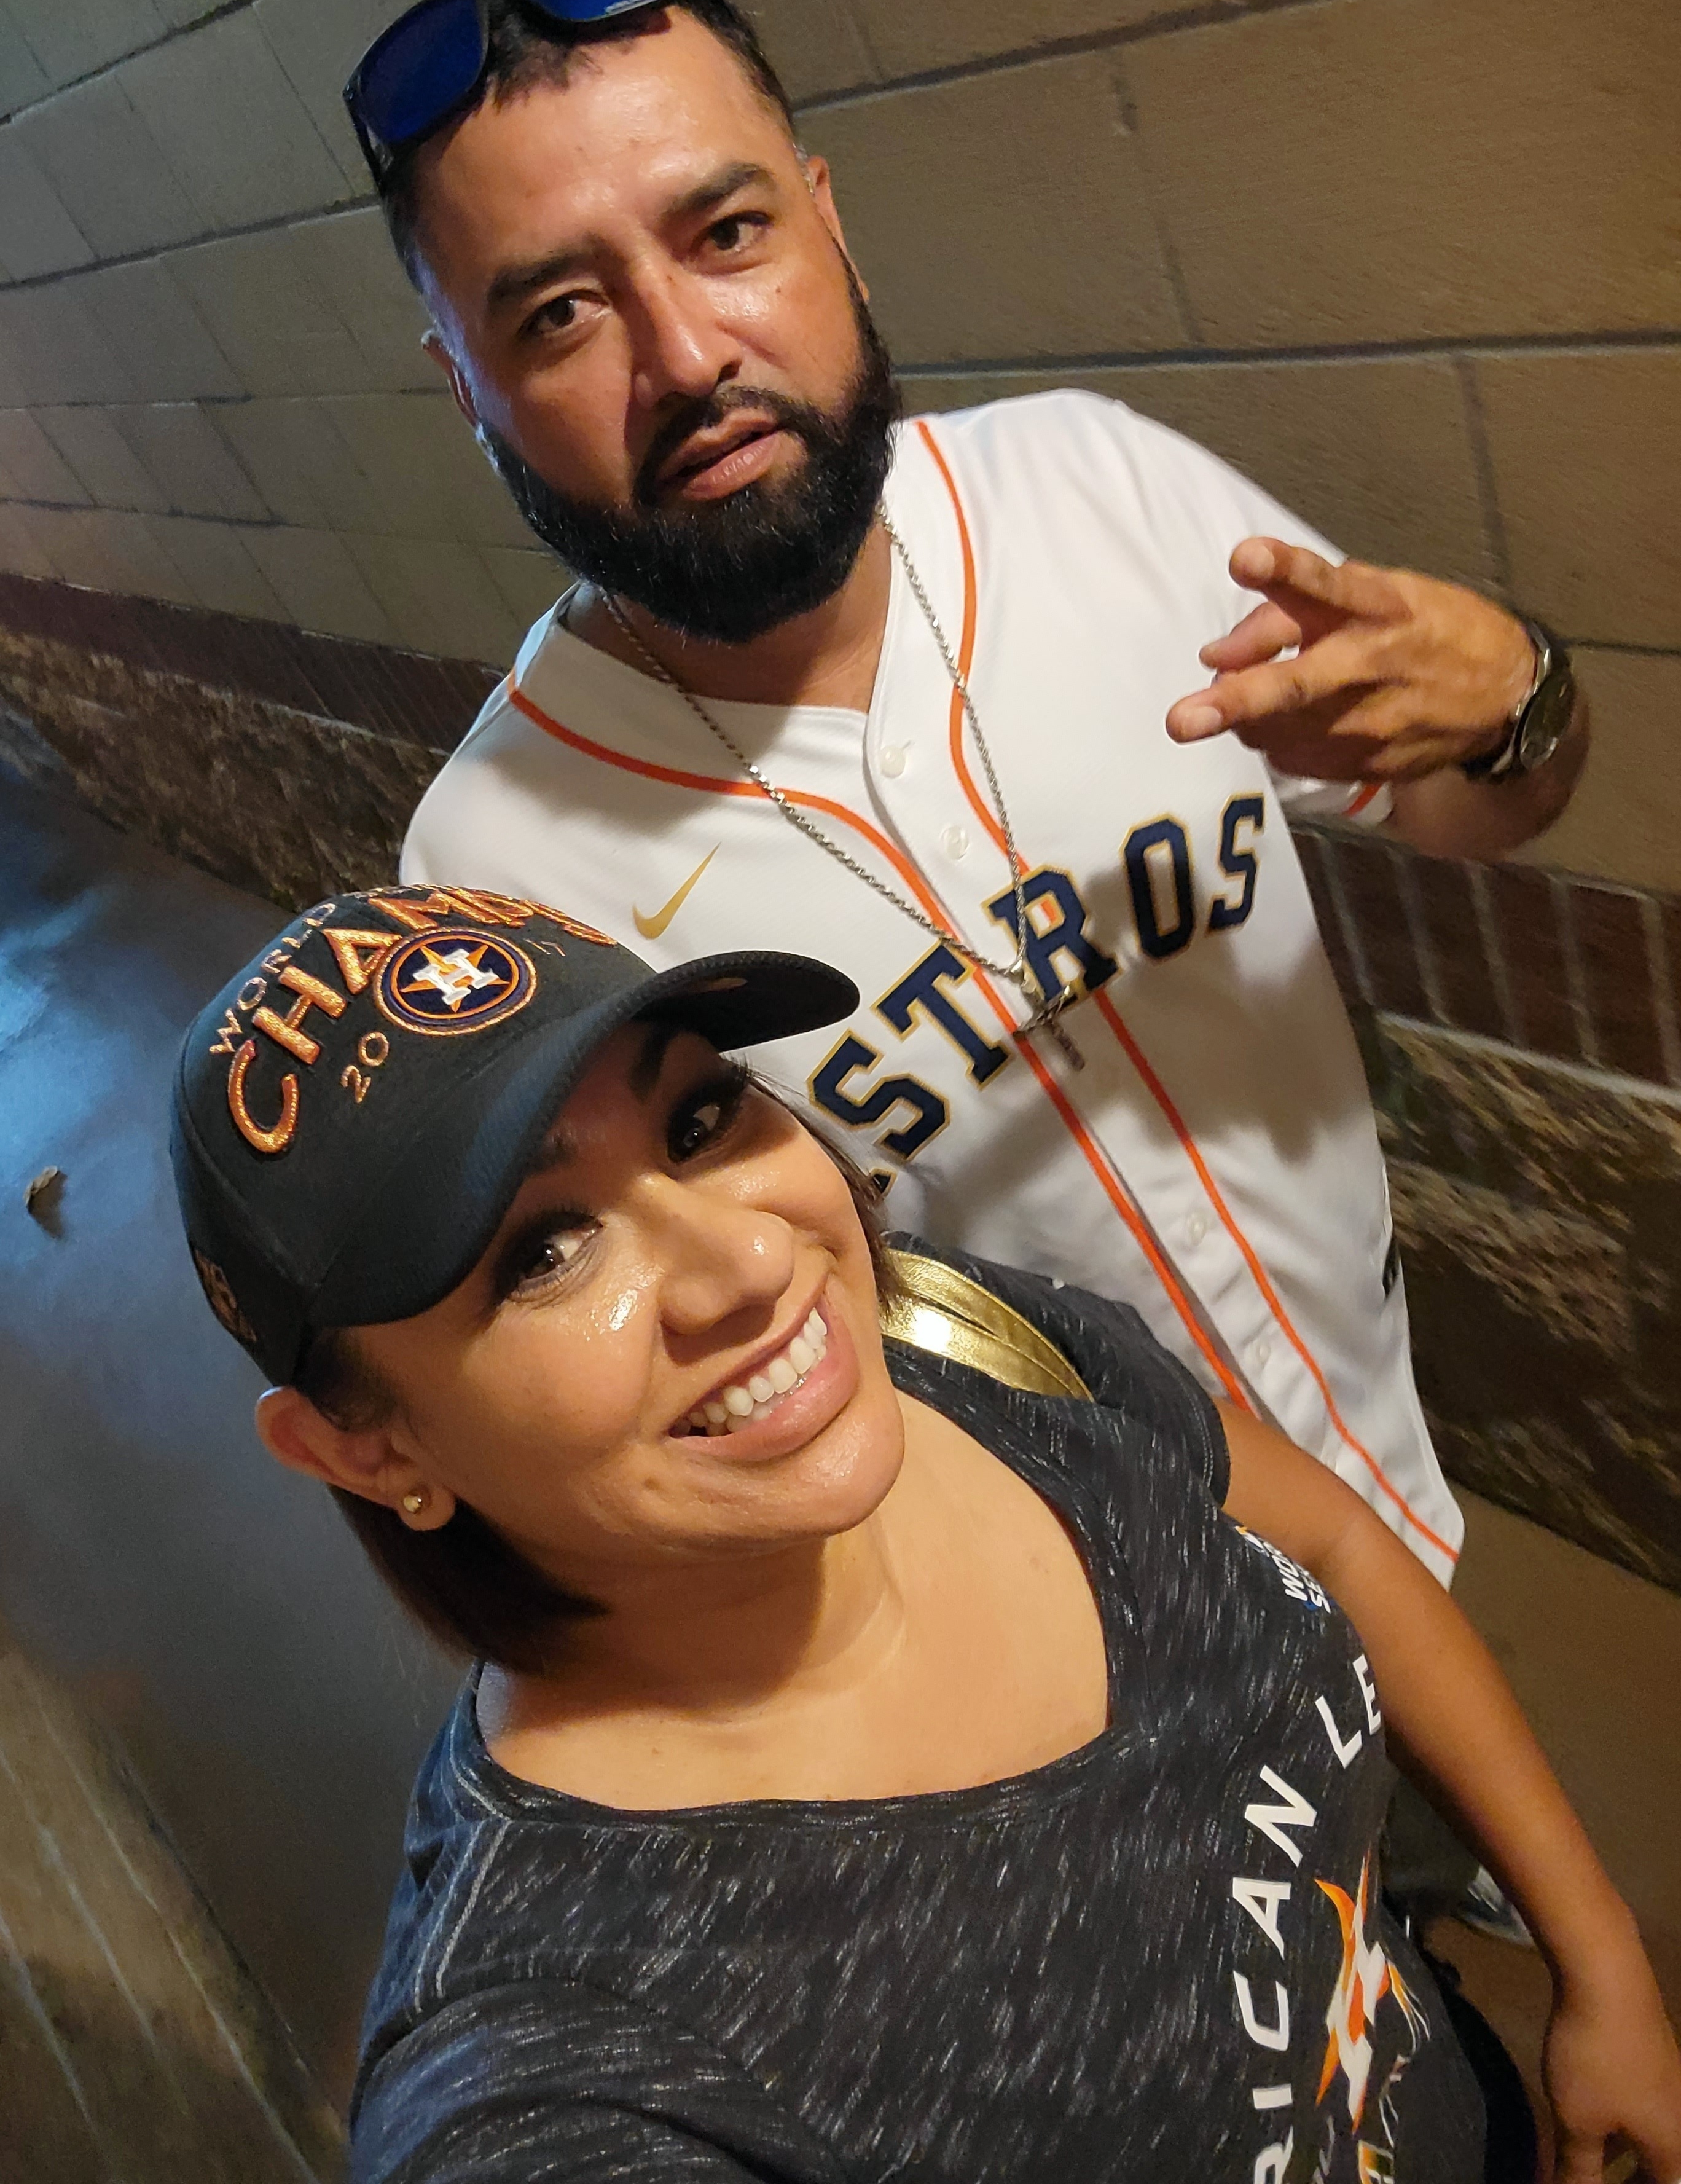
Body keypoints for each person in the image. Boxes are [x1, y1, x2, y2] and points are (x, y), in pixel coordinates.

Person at [348, 0, 1589, 1585]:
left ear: (827, 221)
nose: (687, 352)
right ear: (466, 387)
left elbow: (1471, 807)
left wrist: (1519, 701)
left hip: (1402, 1478)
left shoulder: (1099, 485)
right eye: (559, 312)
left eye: (728, 233)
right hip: (1071, 1631)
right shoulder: (502, 870)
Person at [171, 886, 1680, 2182]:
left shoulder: (957, 1346)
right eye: (544, 1248)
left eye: (700, 1118)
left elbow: (1334, 1544)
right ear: (368, 1448)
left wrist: (1600, 1960)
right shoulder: (578, 2065)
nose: (754, 1259)